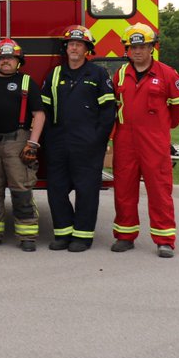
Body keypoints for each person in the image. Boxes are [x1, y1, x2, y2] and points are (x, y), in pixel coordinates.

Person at [111, 23, 179, 257]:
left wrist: (161, 129)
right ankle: (125, 236)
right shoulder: (120, 74)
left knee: (159, 190)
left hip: (154, 142)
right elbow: (114, 107)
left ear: (152, 47)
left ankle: (164, 240)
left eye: (142, 46)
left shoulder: (168, 73)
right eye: (132, 47)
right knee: (124, 189)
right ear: (127, 49)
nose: (137, 51)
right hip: (125, 141)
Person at [40, 25, 116, 252]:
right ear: (66, 48)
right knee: (56, 189)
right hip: (58, 142)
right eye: (71, 44)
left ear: (87, 49)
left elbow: (108, 111)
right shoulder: (54, 74)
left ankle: (82, 237)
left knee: (87, 190)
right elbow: (44, 109)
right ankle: (63, 234)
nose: (74, 48)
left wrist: (98, 140)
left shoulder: (98, 74)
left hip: (87, 143)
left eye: (79, 44)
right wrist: (46, 140)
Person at [0, 38, 46, 252]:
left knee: (21, 190)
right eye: (2, 58)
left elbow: (39, 114)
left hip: (18, 141)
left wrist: (33, 143)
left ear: (18, 61)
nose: (6, 61)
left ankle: (27, 236)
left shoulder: (26, 82)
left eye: (11, 58)